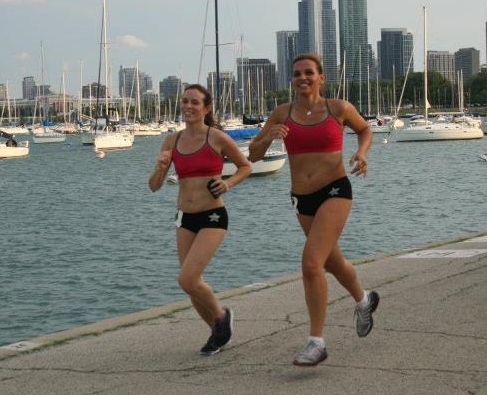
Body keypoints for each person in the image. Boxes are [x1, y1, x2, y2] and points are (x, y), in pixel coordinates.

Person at [248, 53, 379, 366]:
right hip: (301, 199)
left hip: (335, 190)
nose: (302, 78)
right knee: (331, 261)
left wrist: (362, 153)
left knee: (310, 264)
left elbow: (364, 130)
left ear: (321, 78)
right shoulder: (282, 113)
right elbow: (252, 155)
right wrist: (269, 137)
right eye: (297, 74)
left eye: (309, 72)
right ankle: (364, 300)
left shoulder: (338, 108)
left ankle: (316, 343)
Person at [149, 84, 252, 355]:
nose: (188, 106)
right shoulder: (172, 141)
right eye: (185, 101)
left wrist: (228, 184)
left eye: (195, 102)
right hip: (184, 218)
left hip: (213, 216)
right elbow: (154, 186)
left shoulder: (217, 138)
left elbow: (245, 167)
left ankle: (221, 316)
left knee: (188, 278)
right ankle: (217, 333)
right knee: (191, 285)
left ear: (206, 108)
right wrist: (161, 167)